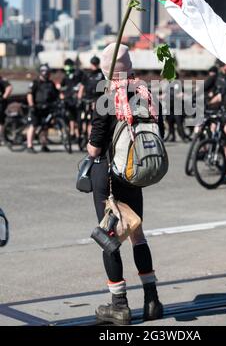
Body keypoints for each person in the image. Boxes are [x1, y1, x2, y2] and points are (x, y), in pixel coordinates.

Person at [87, 43, 164, 326]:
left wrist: (90, 151)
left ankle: (119, 304)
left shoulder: (107, 95)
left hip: (108, 176)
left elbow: (95, 146)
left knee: (110, 240)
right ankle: (152, 300)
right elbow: (159, 128)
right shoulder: (145, 92)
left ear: (108, 69)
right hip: (134, 172)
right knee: (137, 235)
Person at [26, 64, 59, 153]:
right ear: (41, 72)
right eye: (45, 72)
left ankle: (44, 145)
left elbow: (56, 95)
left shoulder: (50, 83)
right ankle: (29, 145)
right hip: (36, 107)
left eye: (48, 72)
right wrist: (32, 105)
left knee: (45, 127)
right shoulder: (35, 82)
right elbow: (29, 94)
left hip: (47, 108)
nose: (47, 74)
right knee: (33, 125)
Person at [60, 59, 82, 141]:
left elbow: (81, 85)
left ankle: (77, 135)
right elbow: (61, 88)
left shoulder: (77, 75)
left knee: (78, 119)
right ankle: (73, 133)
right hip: (68, 100)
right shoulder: (65, 76)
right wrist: (62, 95)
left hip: (76, 100)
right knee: (71, 117)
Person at [0, 74, 13, 143]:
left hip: (1, 104)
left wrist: (3, 98)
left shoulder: (2, 80)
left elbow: (9, 88)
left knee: (1, 121)